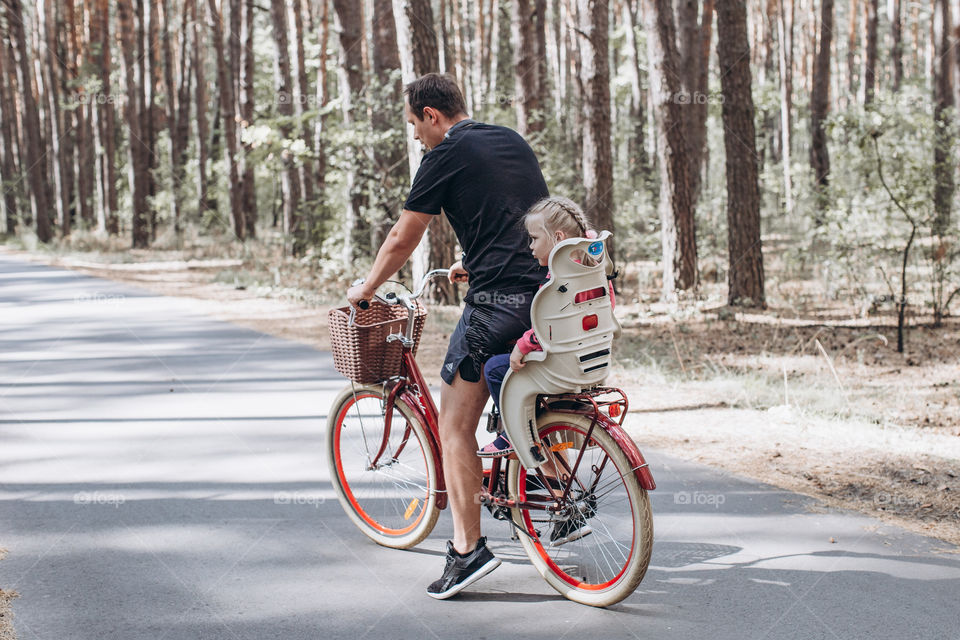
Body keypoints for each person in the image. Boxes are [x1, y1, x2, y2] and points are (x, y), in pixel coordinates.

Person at [346, 73, 548, 600]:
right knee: (534, 393)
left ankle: (467, 549)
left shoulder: (442, 154)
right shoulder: (509, 138)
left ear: (432, 115)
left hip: (497, 303)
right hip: (547, 295)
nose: (415, 135)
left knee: (454, 422)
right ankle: (557, 497)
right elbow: (523, 217)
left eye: (414, 124)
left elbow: (403, 235)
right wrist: (470, 261)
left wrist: (366, 289)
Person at [478, 196, 614, 461]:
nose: (530, 246)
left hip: (559, 365)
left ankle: (516, 433)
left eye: (534, 238)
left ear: (557, 237)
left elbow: (548, 327)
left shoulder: (559, 283)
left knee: (495, 368)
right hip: (594, 361)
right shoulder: (594, 272)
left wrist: (523, 345)